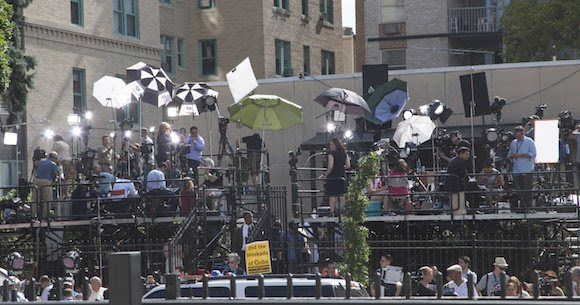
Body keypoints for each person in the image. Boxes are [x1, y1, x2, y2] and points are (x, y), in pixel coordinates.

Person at [507, 125, 537, 211]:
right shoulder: (513, 143)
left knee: (527, 189)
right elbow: (509, 155)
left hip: (527, 169)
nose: (518, 138)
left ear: (523, 133)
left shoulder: (529, 141)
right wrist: (512, 156)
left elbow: (533, 154)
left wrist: (522, 155)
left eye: (519, 136)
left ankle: (528, 207)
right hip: (517, 169)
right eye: (516, 136)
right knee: (518, 189)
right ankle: (521, 207)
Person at [320, 138, 351, 212]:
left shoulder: (331, 154)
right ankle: (343, 211)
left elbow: (330, 166)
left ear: (335, 145)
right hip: (341, 175)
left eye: (331, 144)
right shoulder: (344, 153)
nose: (330, 146)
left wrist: (326, 174)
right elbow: (348, 165)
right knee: (342, 195)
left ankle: (332, 211)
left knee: (332, 195)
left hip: (333, 176)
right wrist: (342, 167)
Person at [31, 152, 58, 218]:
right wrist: (54, 180)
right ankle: (45, 216)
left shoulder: (41, 161)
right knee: (47, 200)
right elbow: (54, 175)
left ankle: (33, 216)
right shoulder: (53, 164)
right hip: (46, 181)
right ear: (54, 158)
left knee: (35, 199)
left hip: (37, 180)